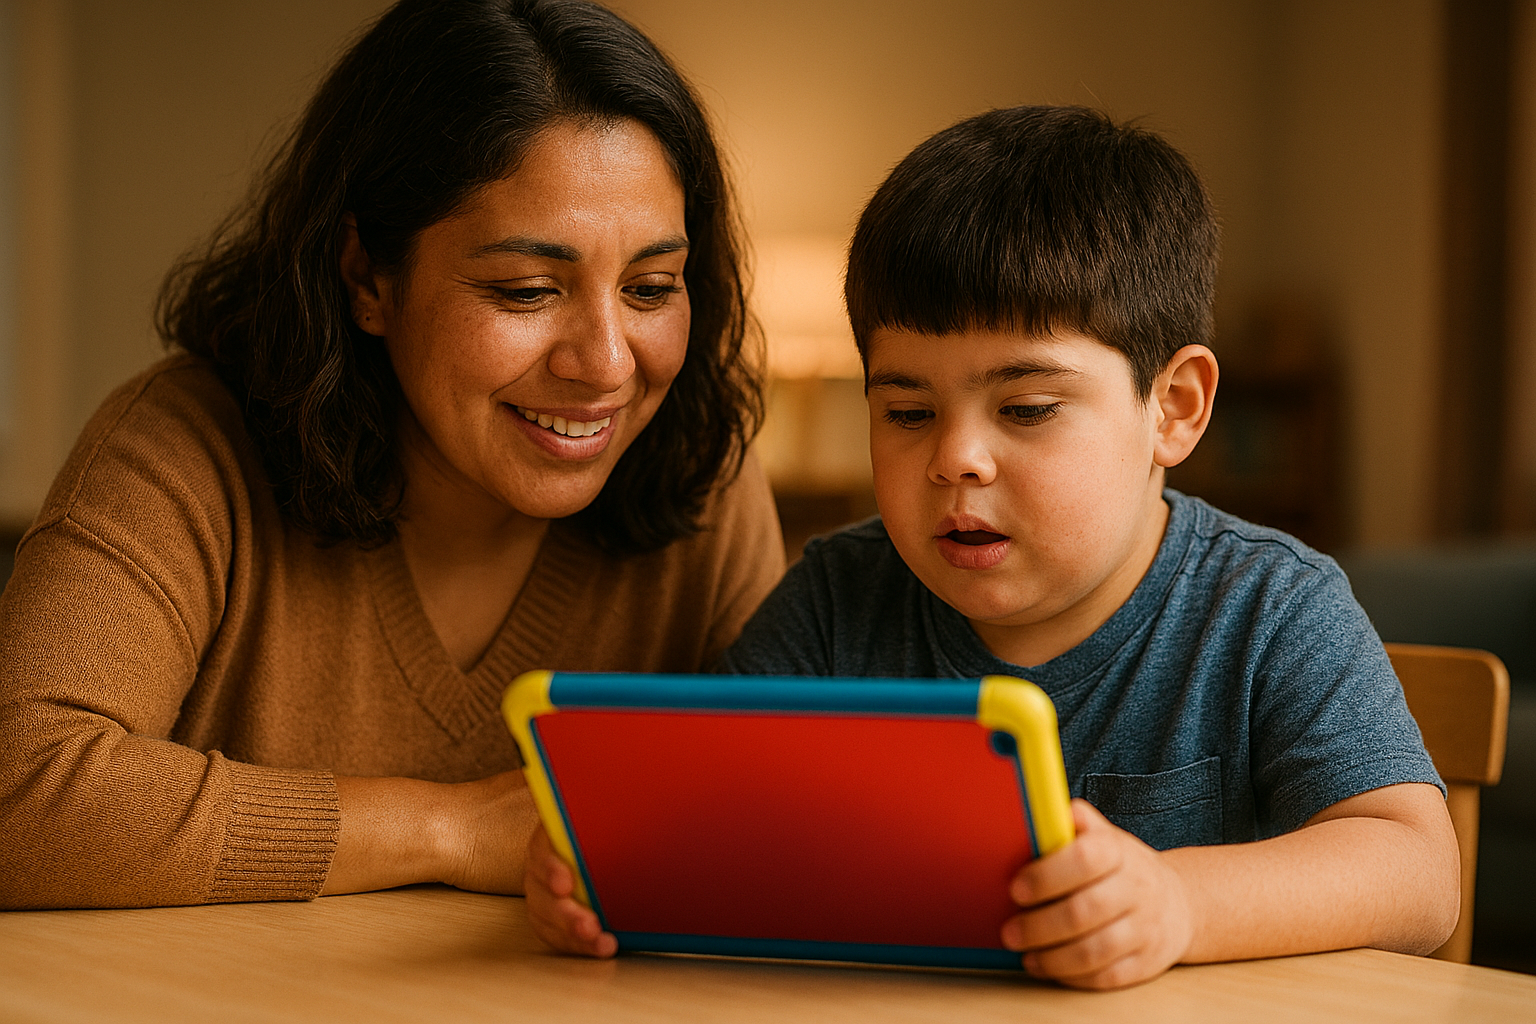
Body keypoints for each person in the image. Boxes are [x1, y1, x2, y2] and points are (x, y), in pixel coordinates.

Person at [523, 105, 1460, 988]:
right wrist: (608, 875)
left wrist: (1181, 903)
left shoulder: (1269, 607)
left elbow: (1417, 873)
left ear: (1173, 408)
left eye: (1026, 409)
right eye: (907, 412)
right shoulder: (839, 598)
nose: (956, 459)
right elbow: (704, 813)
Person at [0, 0, 785, 910]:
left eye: (651, 287)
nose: (608, 364)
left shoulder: (701, 473)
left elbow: (783, 805)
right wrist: (452, 829)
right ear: (368, 275)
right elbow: (22, 792)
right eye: (527, 290)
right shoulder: (182, 450)